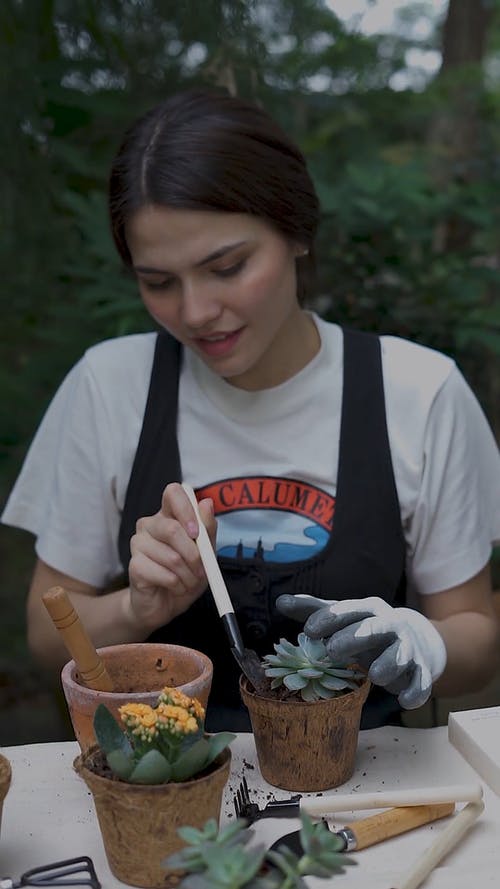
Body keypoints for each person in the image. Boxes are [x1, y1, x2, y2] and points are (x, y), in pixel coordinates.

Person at [2, 88, 500, 732]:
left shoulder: (419, 391)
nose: (196, 312)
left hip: (372, 783)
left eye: (227, 267)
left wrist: (422, 643)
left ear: (296, 231)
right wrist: (139, 606)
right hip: (166, 782)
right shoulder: (110, 385)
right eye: (158, 283)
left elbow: (479, 641)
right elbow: (48, 639)